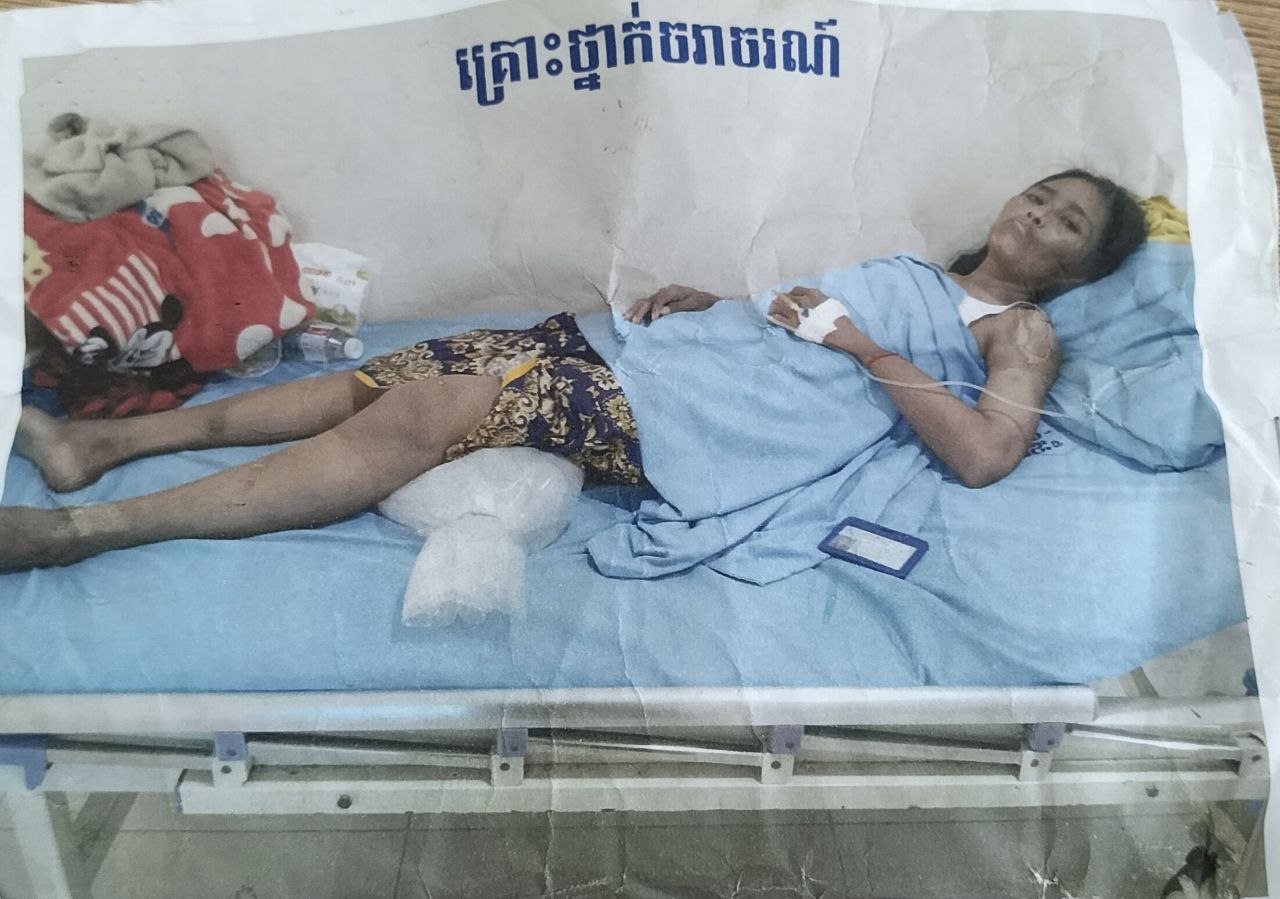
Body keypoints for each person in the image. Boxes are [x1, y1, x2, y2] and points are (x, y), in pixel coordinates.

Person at [0, 169, 1146, 570]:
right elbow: (797, 323)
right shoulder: (913, 267)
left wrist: (866, 347)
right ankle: (102, 442)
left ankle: (89, 529)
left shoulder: (1017, 332)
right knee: (402, 367)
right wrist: (717, 301)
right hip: (677, 354)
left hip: (701, 422)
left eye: (1065, 221)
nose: (1035, 213)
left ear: (1078, 265)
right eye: (1038, 194)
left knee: (440, 405)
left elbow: (984, 453)